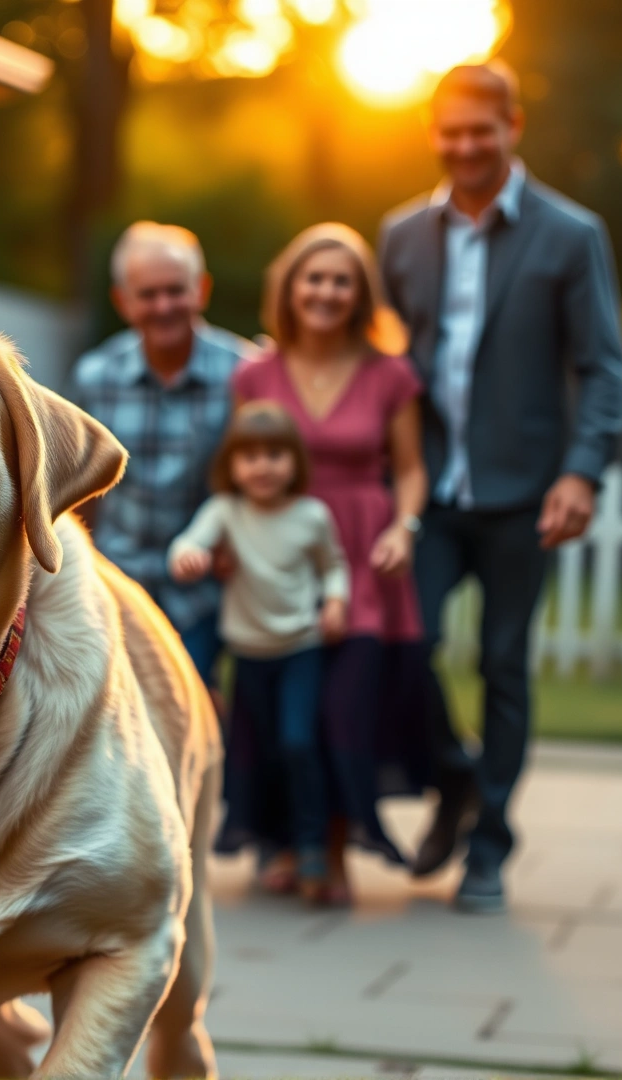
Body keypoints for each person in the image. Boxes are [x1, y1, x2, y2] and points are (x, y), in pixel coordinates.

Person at [378, 61, 622, 914]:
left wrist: (581, 473)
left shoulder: (570, 235)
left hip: (527, 493)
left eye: (481, 131)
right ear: (433, 134)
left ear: (513, 127)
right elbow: (389, 360)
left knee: (503, 664)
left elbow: (602, 368)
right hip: (431, 494)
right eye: (450, 132)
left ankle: (488, 849)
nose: (465, 146)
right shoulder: (402, 235)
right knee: (403, 647)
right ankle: (457, 780)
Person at [229, 223, 432, 904]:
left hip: (363, 559)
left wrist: (406, 527)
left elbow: (409, 470)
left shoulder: (390, 374)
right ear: (290, 288)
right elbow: (236, 469)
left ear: (359, 293)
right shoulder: (255, 373)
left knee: (344, 711)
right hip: (279, 561)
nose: (326, 291)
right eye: (313, 278)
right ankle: (287, 844)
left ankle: (337, 848)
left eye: (341, 280)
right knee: (277, 708)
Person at [169, 402, 349, 905]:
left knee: (297, 743)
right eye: (249, 457)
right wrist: (189, 556)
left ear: (294, 461)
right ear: (231, 465)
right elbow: (188, 542)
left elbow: (333, 565)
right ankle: (272, 846)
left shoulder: (311, 516)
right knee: (260, 753)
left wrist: (336, 601)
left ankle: (311, 844)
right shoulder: (226, 511)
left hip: (300, 649)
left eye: (274, 455)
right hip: (248, 656)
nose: (263, 467)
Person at [70, 222, 259, 691]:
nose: (163, 306)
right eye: (148, 294)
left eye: (176, 291)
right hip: (116, 583)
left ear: (202, 290)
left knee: (187, 707)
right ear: (123, 302)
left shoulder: (245, 374)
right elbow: (80, 491)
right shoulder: (96, 376)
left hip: (203, 593)